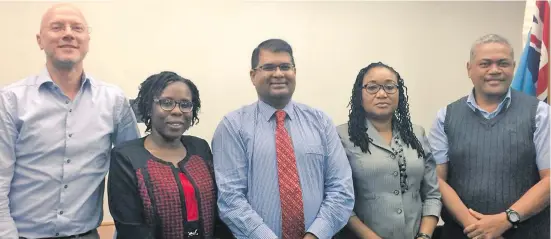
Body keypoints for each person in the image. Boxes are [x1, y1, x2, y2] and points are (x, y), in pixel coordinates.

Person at [0, 3, 140, 239]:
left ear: (87, 39)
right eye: (57, 27)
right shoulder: (11, 100)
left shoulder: (113, 101)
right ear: (39, 40)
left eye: (77, 28)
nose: (68, 33)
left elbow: (133, 174)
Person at [211, 39, 355, 239]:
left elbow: (341, 189)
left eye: (285, 67)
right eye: (268, 67)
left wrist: (315, 235)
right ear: (253, 76)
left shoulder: (320, 122)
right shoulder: (233, 126)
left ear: (294, 72)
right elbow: (231, 199)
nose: (278, 73)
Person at [428, 34, 550, 239]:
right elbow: (436, 180)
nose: (494, 70)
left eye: (502, 63)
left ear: (513, 66)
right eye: (485, 64)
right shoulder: (446, 116)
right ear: (469, 68)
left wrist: (505, 220)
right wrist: (477, 228)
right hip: (462, 234)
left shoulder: (541, 113)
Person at [108, 71, 233, 239]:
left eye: (185, 104)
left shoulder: (200, 148)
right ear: (148, 107)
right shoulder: (126, 156)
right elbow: (131, 229)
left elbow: (220, 213)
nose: (177, 111)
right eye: (166, 103)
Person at [335, 62, 442, 239]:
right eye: (372, 87)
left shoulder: (417, 134)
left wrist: (424, 236)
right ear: (359, 94)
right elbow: (339, 200)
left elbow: (432, 194)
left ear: (399, 92)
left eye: (390, 86)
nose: (382, 94)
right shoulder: (341, 136)